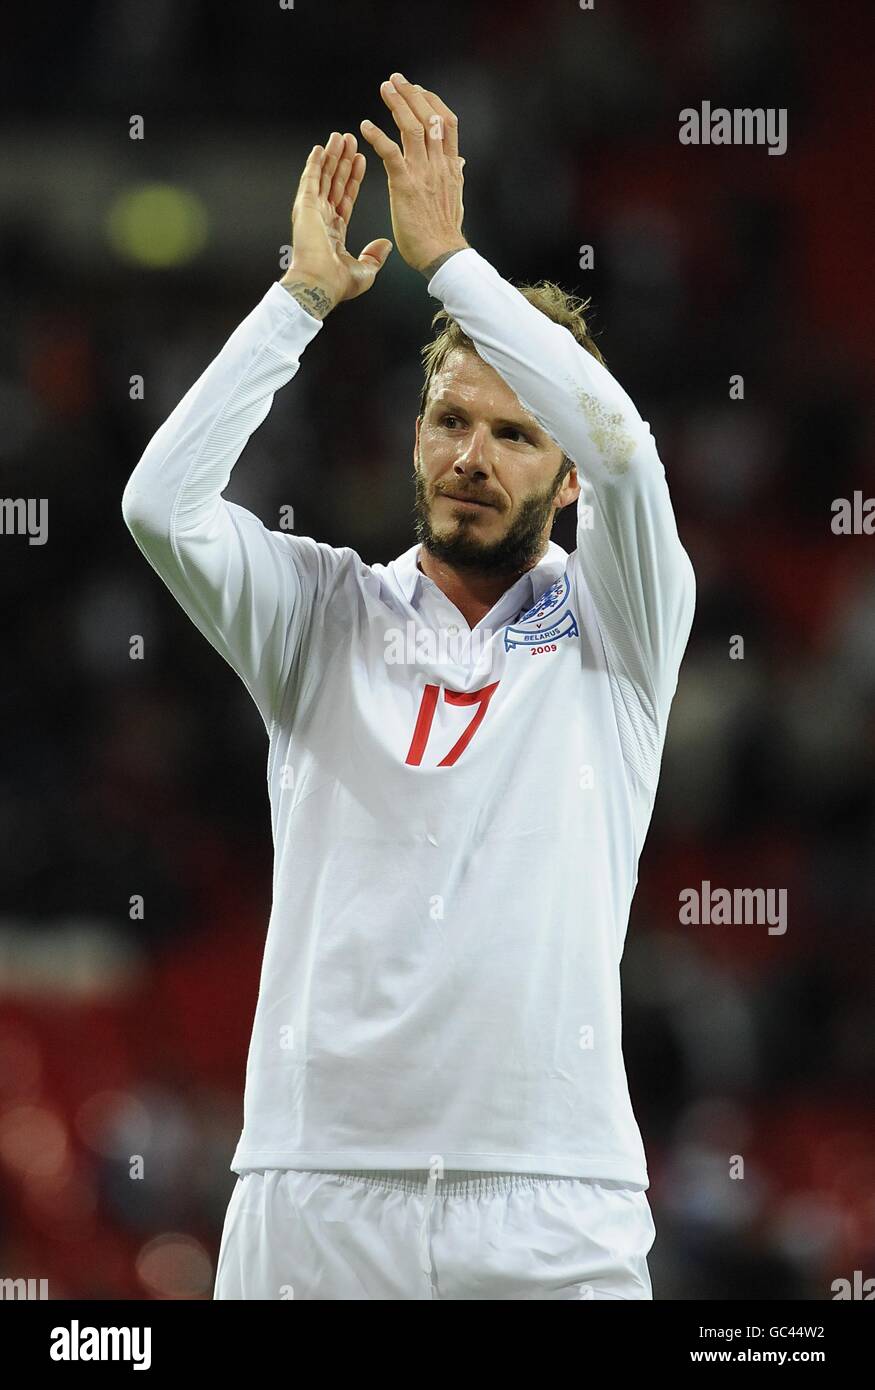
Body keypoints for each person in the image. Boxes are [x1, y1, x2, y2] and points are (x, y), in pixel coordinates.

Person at [121, 72, 695, 1300]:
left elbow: (629, 450)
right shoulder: (319, 613)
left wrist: (450, 267)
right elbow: (157, 505)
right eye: (448, 421)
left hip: (556, 1204)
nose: (469, 458)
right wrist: (298, 300)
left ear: (565, 475)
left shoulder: (622, 630)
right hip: (312, 1191)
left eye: (511, 433)